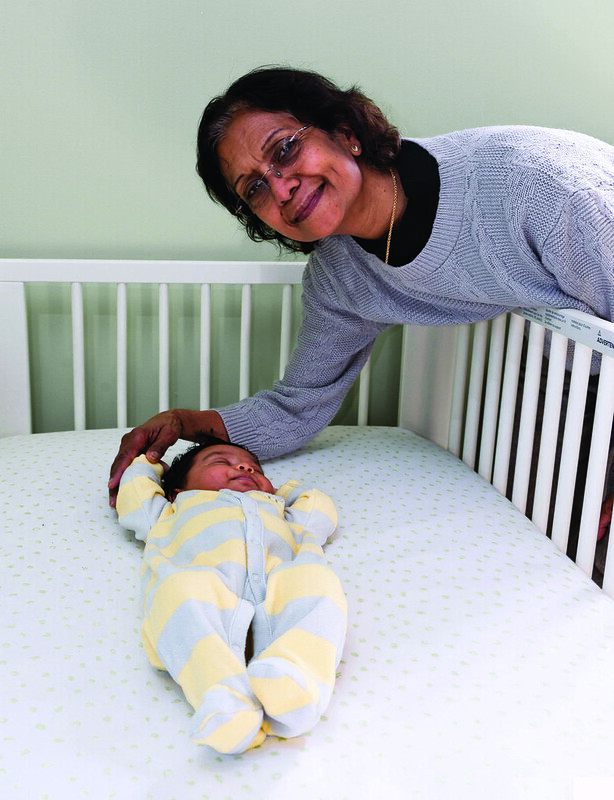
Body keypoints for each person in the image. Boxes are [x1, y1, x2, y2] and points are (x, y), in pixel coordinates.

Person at [108, 65, 614, 513]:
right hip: (582, 371)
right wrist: (184, 421)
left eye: (285, 149)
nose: (281, 186)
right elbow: (296, 407)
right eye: (255, 188)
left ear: (346, 133)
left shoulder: (542, 188)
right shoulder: (340, 276)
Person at [116, 434, 347, 754]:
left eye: (254, 468)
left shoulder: (282, 511)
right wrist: (149, 464)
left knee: (316, 580)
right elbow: (134, 491)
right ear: (177, 490)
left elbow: (320, 509)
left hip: (279, 580)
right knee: (178, 593)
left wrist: (284, 490)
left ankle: (295, 680)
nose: (243, 467)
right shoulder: (169, 510)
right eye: (220, 462)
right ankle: (223, 695)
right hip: (205, 580)